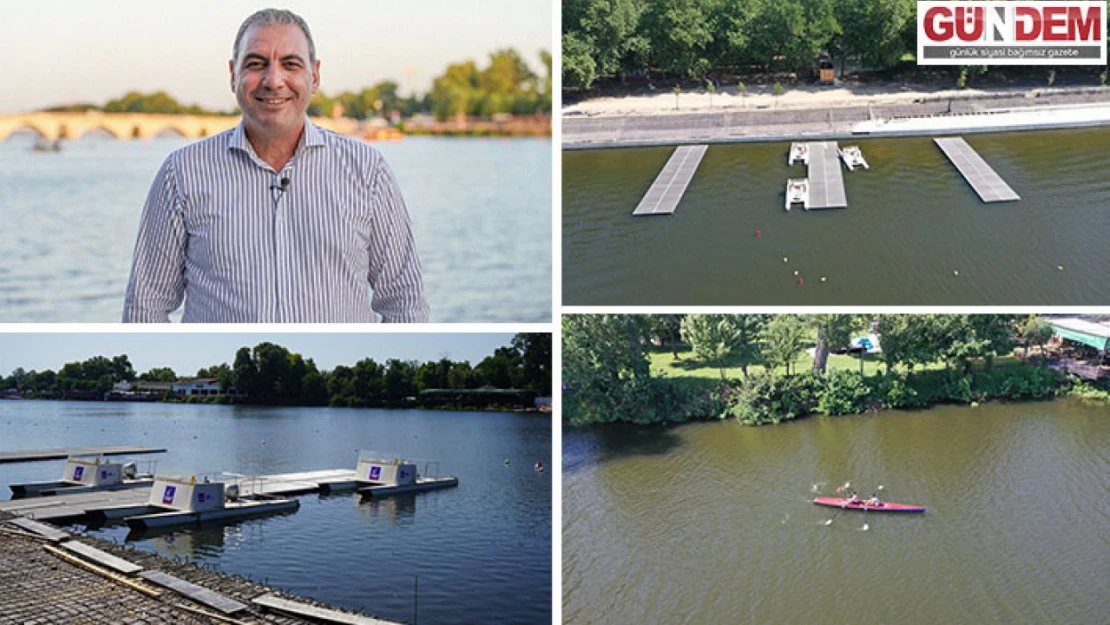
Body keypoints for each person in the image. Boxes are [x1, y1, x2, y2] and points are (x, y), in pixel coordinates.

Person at [123, 9, 428, 323]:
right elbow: (146, 308)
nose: (273, 80)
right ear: (232, 74)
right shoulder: (182, 173)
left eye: (290, 64)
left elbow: (404, 305)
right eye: (256, 64)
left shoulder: (367, 171)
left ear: (315, 75)